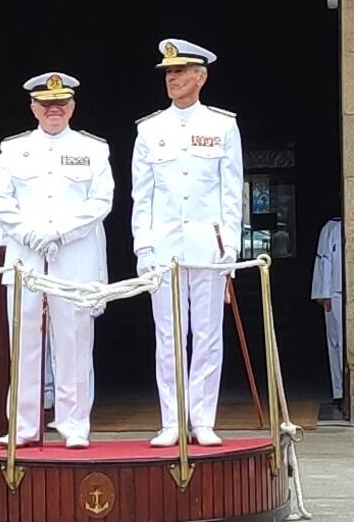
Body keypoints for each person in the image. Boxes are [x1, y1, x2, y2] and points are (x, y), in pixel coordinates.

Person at [0, 72, 113, 449]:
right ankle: (24, 425)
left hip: (73, 256)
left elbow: (101, 201)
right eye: (45, 104)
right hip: (26, 257)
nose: (53, 110)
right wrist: (30, 233)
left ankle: (75, 423)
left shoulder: (94, 150)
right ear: (33, 108)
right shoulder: (13, 150)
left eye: (60, 103)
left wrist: (58, 231)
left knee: (74, 342)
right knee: (23, 342)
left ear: (72, 106)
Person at [132, 38, 243, 448]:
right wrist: (142, 247)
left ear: (201, 76)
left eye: (179, 72)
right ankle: (171, 420)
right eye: (167, 73)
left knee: (208, 334)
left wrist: (230, 244)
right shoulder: (149, 129)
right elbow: (141, 196)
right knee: (169, 335)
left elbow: (232, 191)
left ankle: (203, 418)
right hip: (164, 246)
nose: (172, 79)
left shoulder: (222, 125)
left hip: (208, 244)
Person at [311, 217, 344, 407]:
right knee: (335, 342)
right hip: (335, 292)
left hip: (349, 291)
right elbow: (323, 260)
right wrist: (324, 293)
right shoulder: (331, 227)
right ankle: (338, 390)